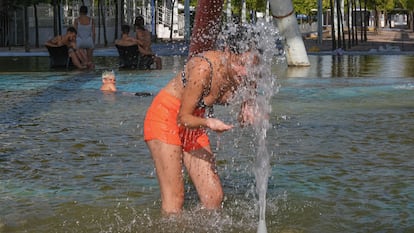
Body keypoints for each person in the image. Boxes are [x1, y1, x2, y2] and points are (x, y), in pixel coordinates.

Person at [143, 25, 258, 214]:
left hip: (193, 121)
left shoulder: (248, 71)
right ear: (227, 53)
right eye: (240, 64)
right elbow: (183, 117)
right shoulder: (203, 68)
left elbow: (247, 104)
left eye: (250, 65)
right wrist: (209, 123)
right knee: (175, 201)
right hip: (166, 117)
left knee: (213, 197)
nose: (245, 72)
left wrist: (248, 107)